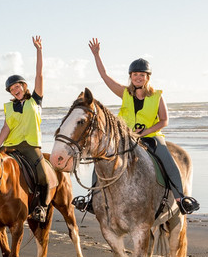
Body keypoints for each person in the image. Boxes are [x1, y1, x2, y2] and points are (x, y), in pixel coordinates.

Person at [80, 38, 200, 214]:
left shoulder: (157, 96)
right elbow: (105, 76)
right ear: (131, 77)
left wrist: (146, 132)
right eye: (135, 75)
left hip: (152, 137)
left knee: (168, 161)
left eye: (142, 75)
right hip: (126, 138)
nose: (138, 77)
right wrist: (97, 55)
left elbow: (164, 120)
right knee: (101, 158)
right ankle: (92, 199)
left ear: (147, 77)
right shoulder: (125, 93)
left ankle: (181, 199)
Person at [0, 36, 52, 222]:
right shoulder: (9, 107)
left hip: (31, 146)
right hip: (11, 146)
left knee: (44, 176)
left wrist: (39, 51)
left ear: (24, 86)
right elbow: (6, 127)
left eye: (17, 86)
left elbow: (39, 75)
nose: (14, 90)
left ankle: (41, 208)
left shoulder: (36, 101)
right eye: (11, 89)